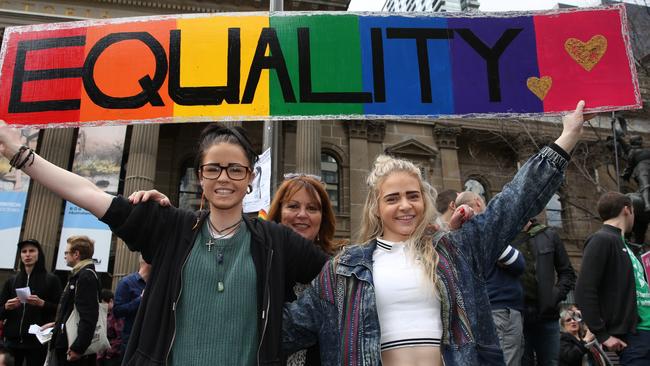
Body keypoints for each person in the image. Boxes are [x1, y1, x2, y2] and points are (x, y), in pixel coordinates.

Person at [282, 101, 592, 366]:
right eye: (392, 198)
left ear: (425, 201)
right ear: (376, 208)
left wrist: (567, 136)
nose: (405, 206)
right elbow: (289, 327)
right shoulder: (344, 268)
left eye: (412, 196)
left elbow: (514, 203)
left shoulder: (456, 250)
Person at [0, 121, 328, 365]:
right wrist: (21, 155)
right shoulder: (169, 227)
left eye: (235, 169)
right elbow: (89, 195)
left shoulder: (276, 241)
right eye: (213, 169)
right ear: (200, 175)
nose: (224, 178)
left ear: (251, 176)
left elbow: (345, 275)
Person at [266, 173, 338, 366]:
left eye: (312, 208)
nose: (302, 214)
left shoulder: (339, 268)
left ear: (322, 219)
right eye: (293, 206)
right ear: (279, 212)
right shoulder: (261, 264)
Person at [575, 191, 650, 365]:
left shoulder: (625, 246)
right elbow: (584, 290)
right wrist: (602, 334)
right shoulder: (601, 239)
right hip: (634, 337)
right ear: (627, 210)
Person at [462, 191, 526, 366]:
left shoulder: (462, 234)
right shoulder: (483, 230)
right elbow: (518, 262)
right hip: (500, 311)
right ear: (477, 202)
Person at [514, 219, 576, 366]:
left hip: (547, 314)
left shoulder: (549, 235)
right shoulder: (505, 236)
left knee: (551, 362)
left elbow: (567, 272)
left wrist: (555, 295)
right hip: (517, 316)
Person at [0, 239, 62, 366]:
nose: (27, 254)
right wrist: (6, 307)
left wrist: (42, 303)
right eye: (24, 251)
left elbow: (60, 309)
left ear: (39, 254)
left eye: (32, 251)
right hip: (12, 341)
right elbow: (1, 312)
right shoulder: (11, 281)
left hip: (38, 341)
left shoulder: (51, 280)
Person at [48, 235, 101, 366]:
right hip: (68, 342)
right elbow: (70, 310)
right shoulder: (80, 275)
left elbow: (88, 315)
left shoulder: (85, 276)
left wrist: (78, 348)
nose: (65, 256)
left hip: (72, 347)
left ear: (76, 254)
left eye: (67, 252)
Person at [113, 256, 150, 355]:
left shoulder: (156, 284)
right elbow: (117, 311)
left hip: (150, 339)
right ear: (148, 261)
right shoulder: (126, 282)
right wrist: (140, 300)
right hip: (131, 339)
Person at [96, 290, 123, 366]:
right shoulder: (103, 314)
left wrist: (109, 353)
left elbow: (120, 337)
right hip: (101, 355)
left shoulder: (116, 315)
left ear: (111, 301)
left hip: (112, 356)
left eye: (103, 303)